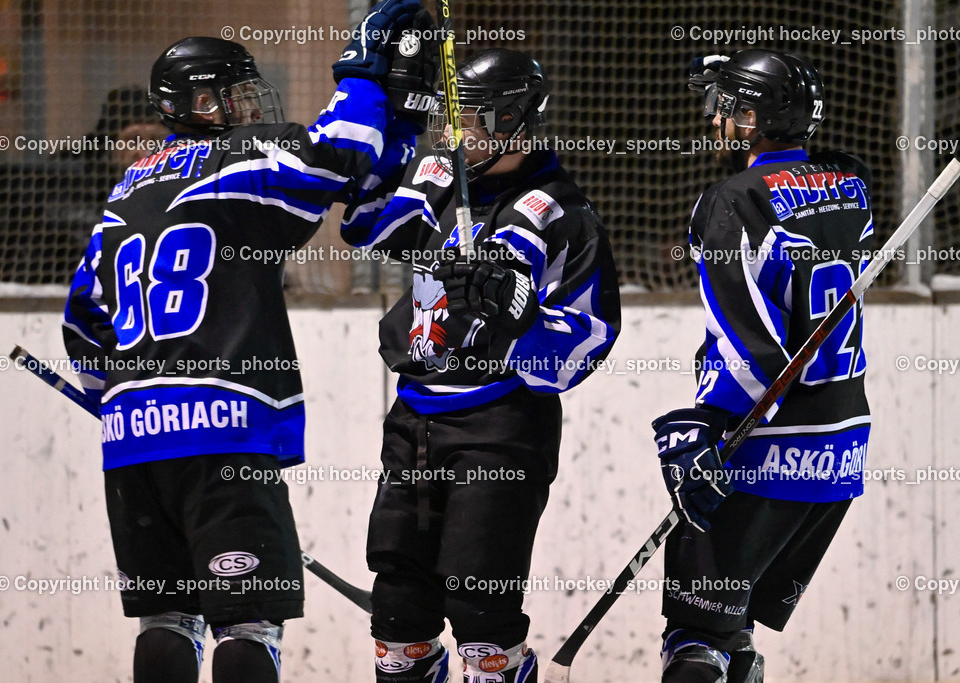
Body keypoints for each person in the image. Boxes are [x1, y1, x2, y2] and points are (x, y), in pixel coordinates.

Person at [61, 1, 430, 681]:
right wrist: (367, 69)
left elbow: (83, 323)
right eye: (235, 94)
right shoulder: (236, 158)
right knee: (246, 624)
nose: (248, 106)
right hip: (224, 438)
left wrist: (123, 402)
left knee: (167, 621)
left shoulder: (124, 193)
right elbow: (341, 150)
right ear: (200, 102)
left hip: (133, 447)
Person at [340, 48, 622, 682]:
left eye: (478, 122)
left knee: (480, 609)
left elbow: (591, 339)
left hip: (502, 426)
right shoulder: (440, 175)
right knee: (398, 613)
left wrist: (518, 321)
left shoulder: (561, 212)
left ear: (519, 120)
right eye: (455, 121)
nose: (461, 136)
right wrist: (390, 111)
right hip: (415, 417)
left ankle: (505, 667)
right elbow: (363, 227)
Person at [651, 50, 874, 682]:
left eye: (728, 106)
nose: (715, 116)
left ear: (752, 118)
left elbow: (748, 342)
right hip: (841, 449)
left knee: (696, 639)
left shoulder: (731, 200)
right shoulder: (851, 183)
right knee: (733, 627)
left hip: (767, 451)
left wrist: (709, 431)